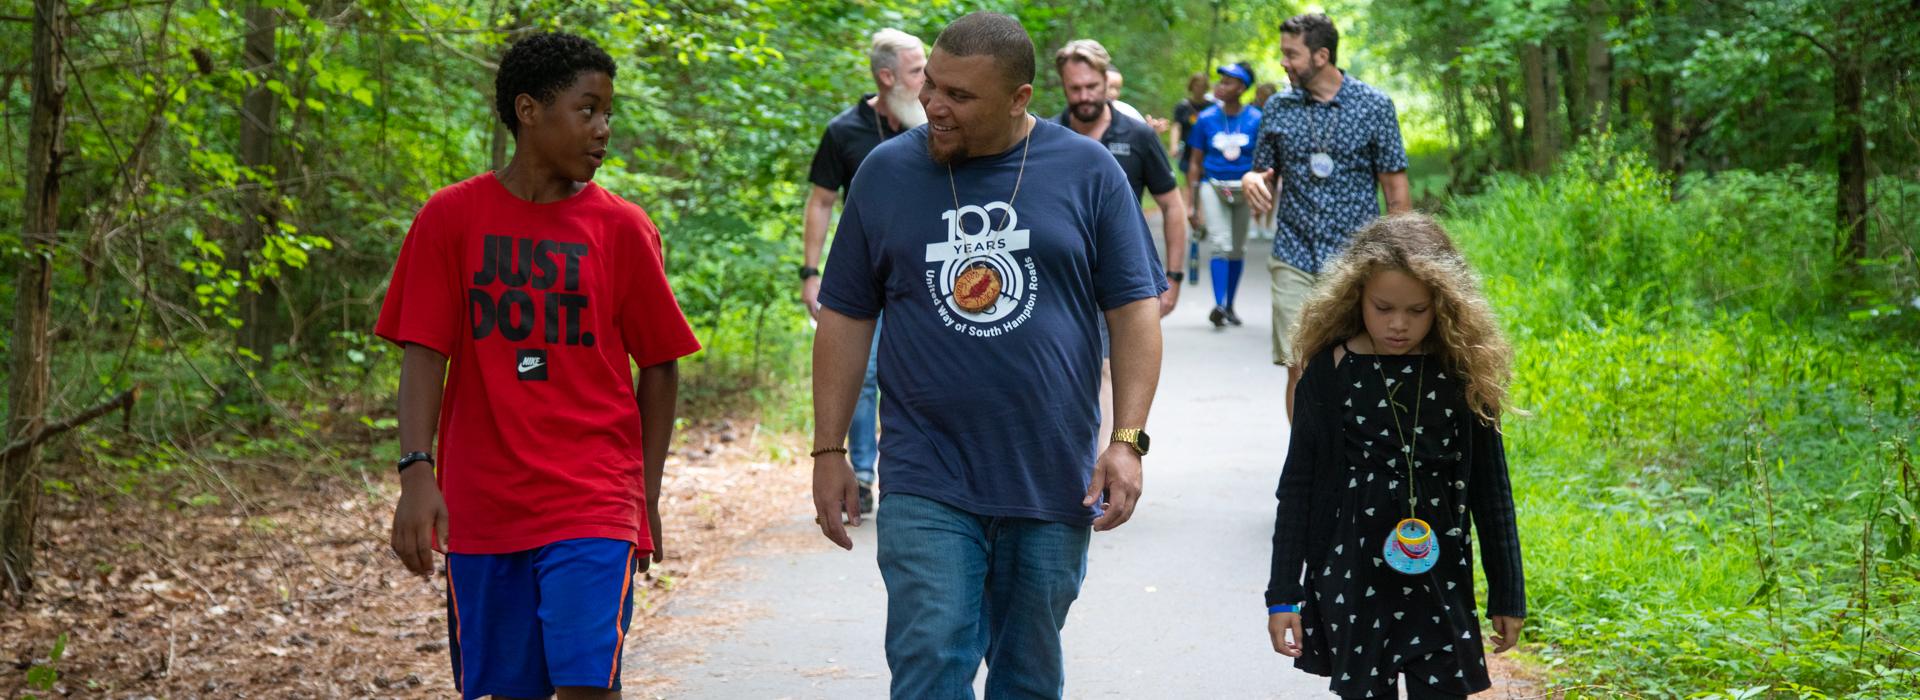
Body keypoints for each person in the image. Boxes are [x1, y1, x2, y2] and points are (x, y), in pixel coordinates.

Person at [810, 12, 1166, 698]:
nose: (934, 107)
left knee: (1028, 676)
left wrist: (1127, 440)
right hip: (925, 469)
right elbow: (846, 317)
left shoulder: (1088, 172)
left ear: (1019, 99)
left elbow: (1135, 311)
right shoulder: (886, 173)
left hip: (1051, 471)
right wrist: (829, 452)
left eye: (960, 97)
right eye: (932, 86)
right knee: (931, 660)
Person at [378, 32, 702, 700]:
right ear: (529, 110)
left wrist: (644, 495)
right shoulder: (451, 218)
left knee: (588, 684)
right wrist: (416, 473)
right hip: (483, 504)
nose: (603, 130)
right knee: (508, 690)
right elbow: (423, 353)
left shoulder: (622, 228)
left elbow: (661, 363)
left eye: (608, 113)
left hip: (594, 496)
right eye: (588, 110)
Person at [1264, 213, 1525, 699]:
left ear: (1444, 306)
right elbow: (1297, 486)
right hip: (1351, 575)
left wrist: (1508, 593)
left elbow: (1493, 492)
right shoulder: (1330, 370)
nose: (1398, 324)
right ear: (1356, 296)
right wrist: (1283, 593)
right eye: (1383, 307)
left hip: (1440, 574)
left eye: (1417, 310)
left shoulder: (1462, 374)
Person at [1241, 13, 1412, 421]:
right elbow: (1262, 169)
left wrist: (1403, 260)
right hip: (1294, 252)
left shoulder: (1374, 106)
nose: (1283, 62)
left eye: (1291, 54)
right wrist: (1251, 179)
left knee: (1355, 362)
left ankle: (1354, 457)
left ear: (1321, 55)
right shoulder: (1279, 108)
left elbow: (1395, 190)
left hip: (1357, 259)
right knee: (1299, 364)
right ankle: (1307, 466)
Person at [802, 28, 928, 513]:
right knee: (864, 373)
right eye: (917, 71)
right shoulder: (845, 130)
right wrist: (810, 272)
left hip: (924, 274)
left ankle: (916, 472)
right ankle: (865, 473)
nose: (926, 80)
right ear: (886, 76)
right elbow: (821, 202)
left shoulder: (933, 124)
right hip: (865, 276)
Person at [1053, 38, 1187, 314]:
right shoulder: (1048, 137)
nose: (1084, 96)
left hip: (1124, 281)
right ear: (1063, 86)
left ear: (1106, 81)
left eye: (1091, 87)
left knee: (1111, 360)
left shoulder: (1139, 135)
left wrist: (1173, 277)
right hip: (1061, 282)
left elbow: (1172, 206)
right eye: (1075, 89)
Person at [1186, 62, 1263, 328]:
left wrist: (1264, 196)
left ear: (1242, 88)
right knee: (1220, 243)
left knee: (1237, 248)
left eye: (1228, 82)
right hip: (1213, 184)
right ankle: (1218, 304)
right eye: (1220, 82)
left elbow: (1263, 161)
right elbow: (1195, 162)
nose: (1220, 86)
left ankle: (1230, 304)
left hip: (1245, 187)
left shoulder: (1256, 118)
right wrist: (1191, 204)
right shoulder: (1206, 119)